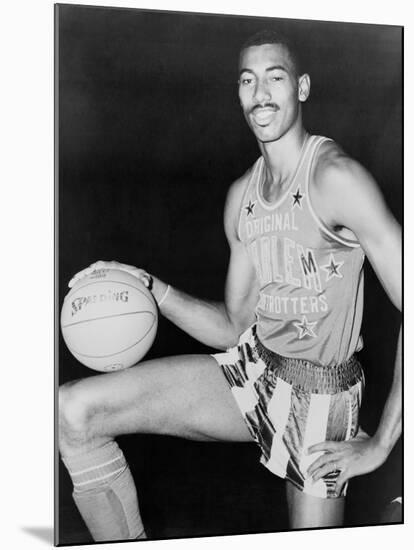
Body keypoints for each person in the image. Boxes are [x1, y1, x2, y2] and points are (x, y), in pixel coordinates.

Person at [59, 30, 401, 541]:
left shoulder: (336, 179)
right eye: (248, 80)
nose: (261, 93)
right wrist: (152, 288)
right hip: (255, 368)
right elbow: (234, 327)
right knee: (74, 411)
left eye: (275, 77)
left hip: (322, 399)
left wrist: (383, 443)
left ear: (302, 88)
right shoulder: (242, 196)